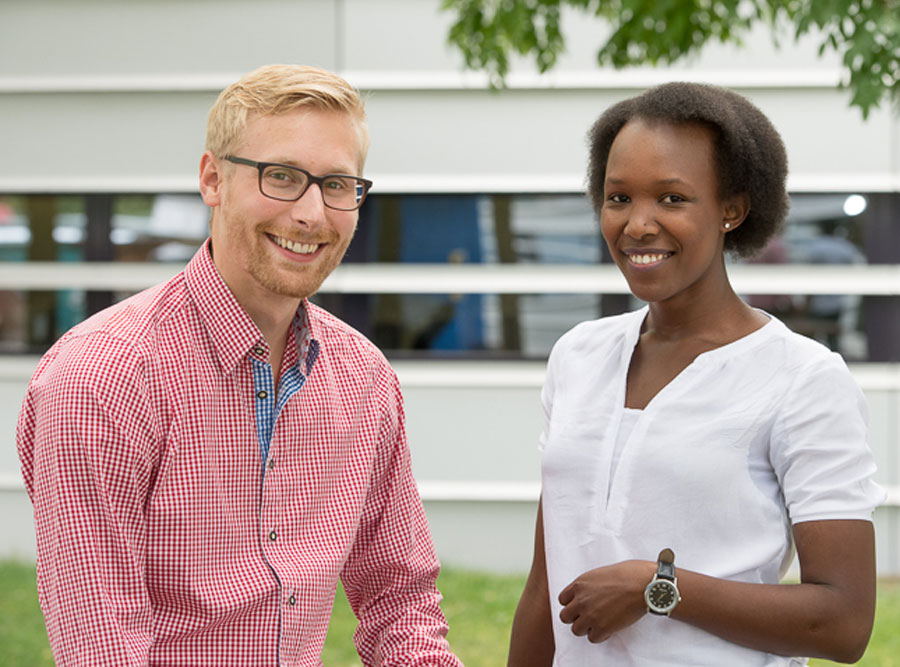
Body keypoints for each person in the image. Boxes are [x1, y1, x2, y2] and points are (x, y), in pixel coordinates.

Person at [17, 64, 463, 667]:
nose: (312, 214)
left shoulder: (365, 377)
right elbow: (102, 645)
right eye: (281, 177)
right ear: (212, 179)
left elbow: (399, 602)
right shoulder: (103, 379)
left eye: (337, 184)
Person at [507, 82, 885, 666]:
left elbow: (843, 621)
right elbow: (543, 589)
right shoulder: (578, 356)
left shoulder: (803, 379)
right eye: (618, 197)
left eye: (672, 198)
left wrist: (657, 588)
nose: (637, 224)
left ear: (732, 209)